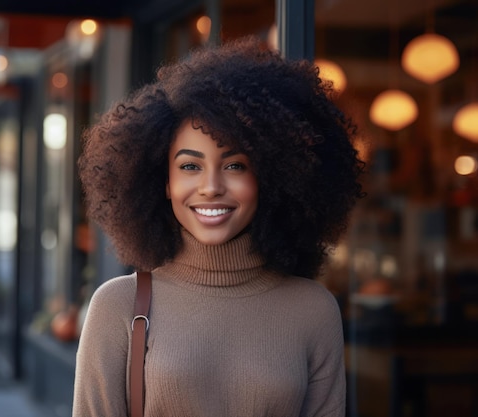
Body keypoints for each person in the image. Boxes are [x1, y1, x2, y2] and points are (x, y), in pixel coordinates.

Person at [73, 36, 365, 416]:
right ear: (164, 182)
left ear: (271, 176)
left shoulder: (313, 310)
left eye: (235, 165)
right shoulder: (118, 306)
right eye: (190, 166)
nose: (211, 187)